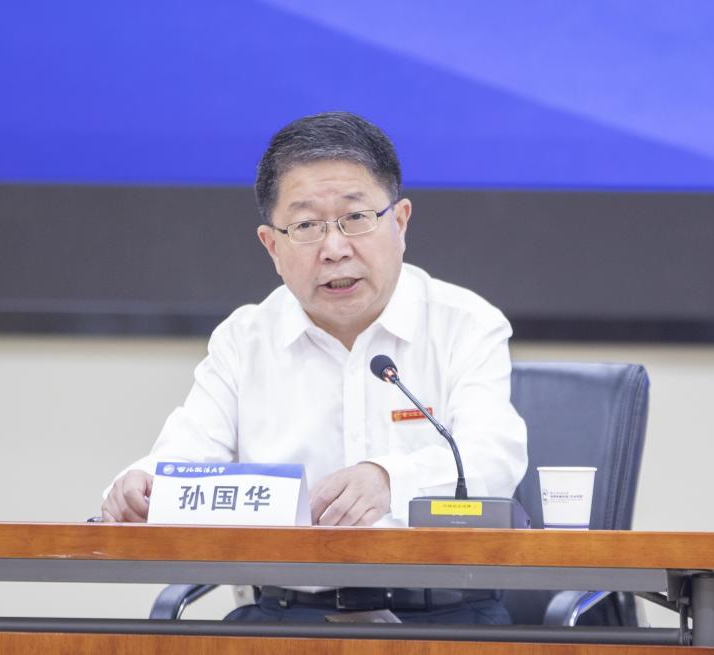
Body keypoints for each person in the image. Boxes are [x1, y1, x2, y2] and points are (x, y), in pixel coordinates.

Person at [101, 111, 528, 624]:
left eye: (356, 218)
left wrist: (389, 479)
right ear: (272, 246)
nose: (335, 249)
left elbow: (492, 459)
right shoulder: (245, 339)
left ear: (400, 222)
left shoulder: (465, 324)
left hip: (447, 617)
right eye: (306, 226)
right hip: (286, 616)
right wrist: (141, 485)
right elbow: (186, 454)